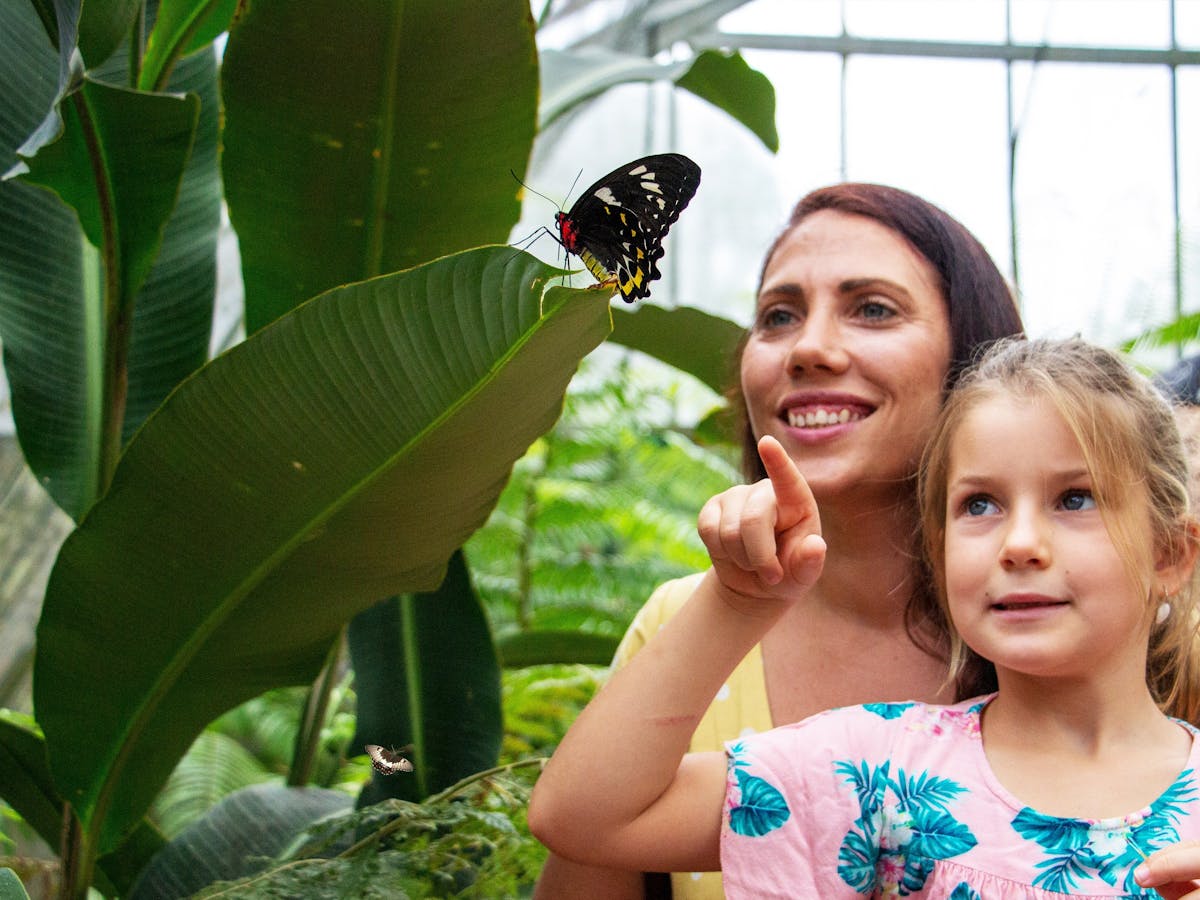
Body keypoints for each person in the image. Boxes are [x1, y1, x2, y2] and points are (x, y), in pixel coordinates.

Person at [529, 336, 1200, 897]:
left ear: (1170, 553)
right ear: (939, 554)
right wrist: (737, 601)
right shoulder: (879, 771)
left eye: (1075, 499)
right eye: (979, 505)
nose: (1019, 543)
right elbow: (585, 818)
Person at [533, 182, 1024, 899]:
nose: (810, 349)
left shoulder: (1072, 613)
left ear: (974, 359)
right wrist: (733, 604)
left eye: (873, 310)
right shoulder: (685, 626)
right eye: (778, 316)